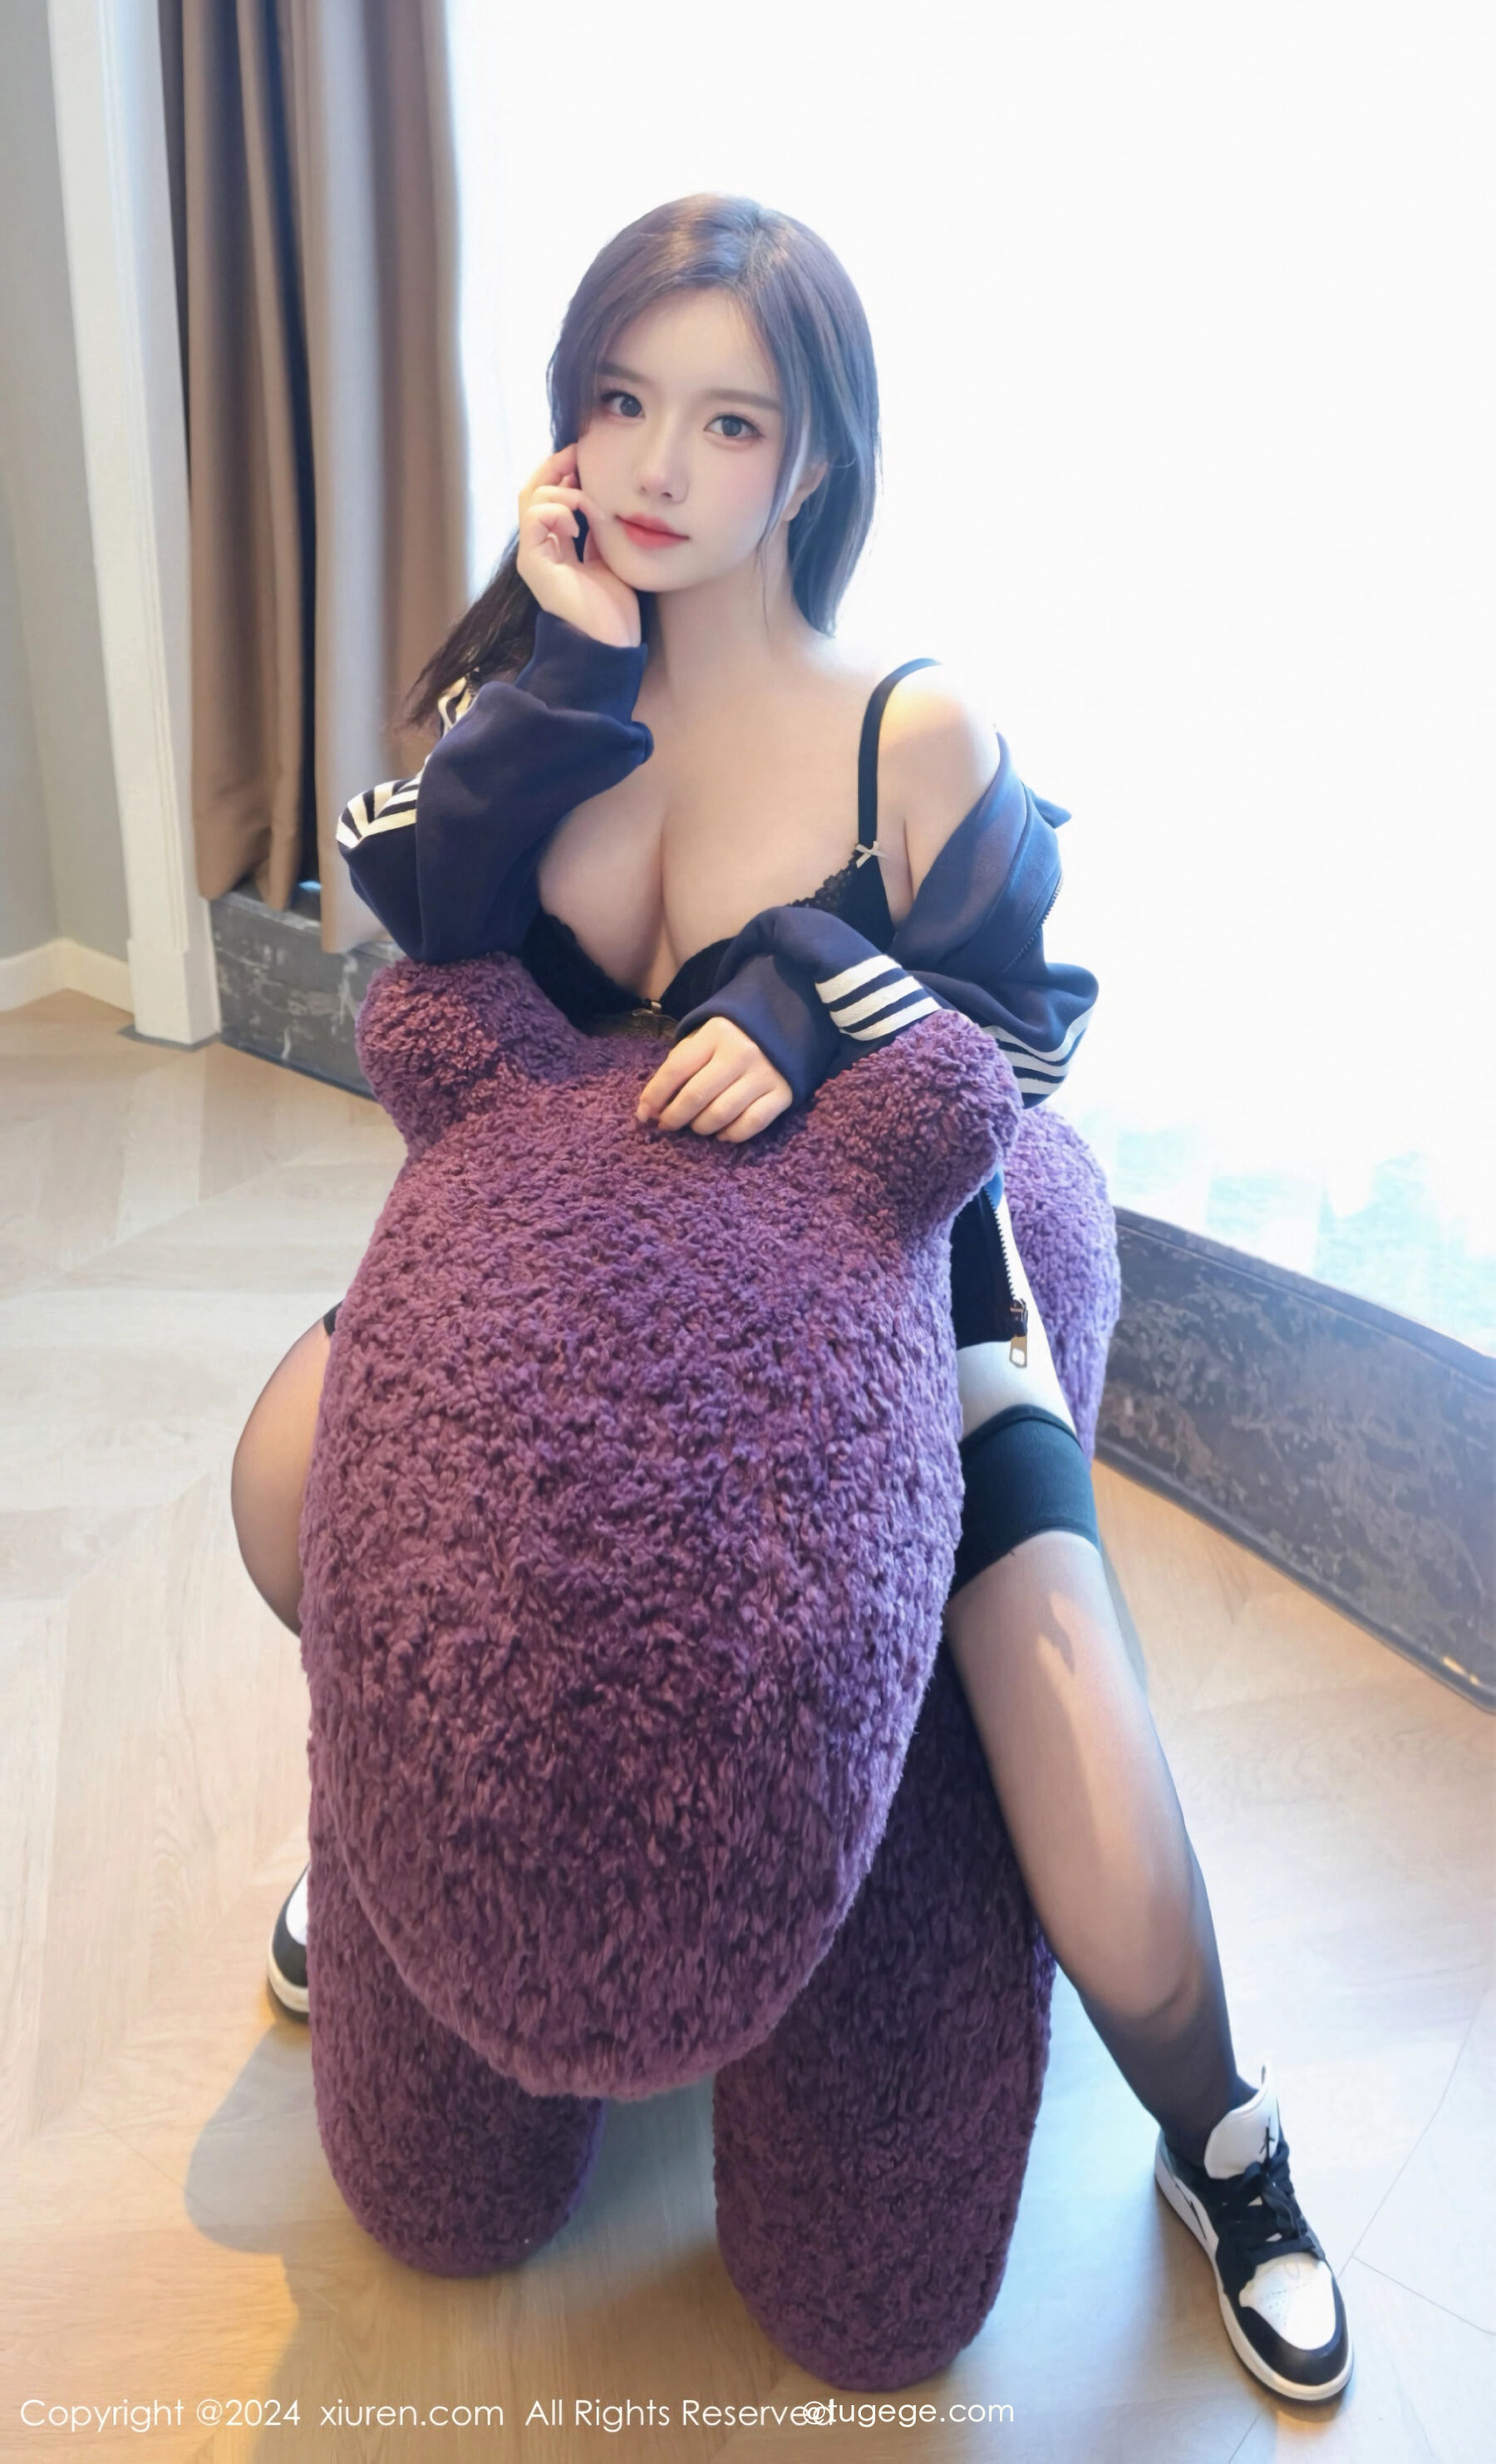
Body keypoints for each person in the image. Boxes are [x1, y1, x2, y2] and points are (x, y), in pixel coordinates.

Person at [232, 194, 1351, 2403]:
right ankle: (392, 1847)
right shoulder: (521, 696)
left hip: (895, 1300)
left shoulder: (909, 733)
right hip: (574, 1310)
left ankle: (1227, 2137)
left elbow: (1032, 1043)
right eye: (620, 400)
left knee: (1085, 1793)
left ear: (812, 455)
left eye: (728, 421)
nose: (660, 466)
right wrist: (564, 678)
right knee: (295, 1495)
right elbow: (424, 924)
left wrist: (818, 994)